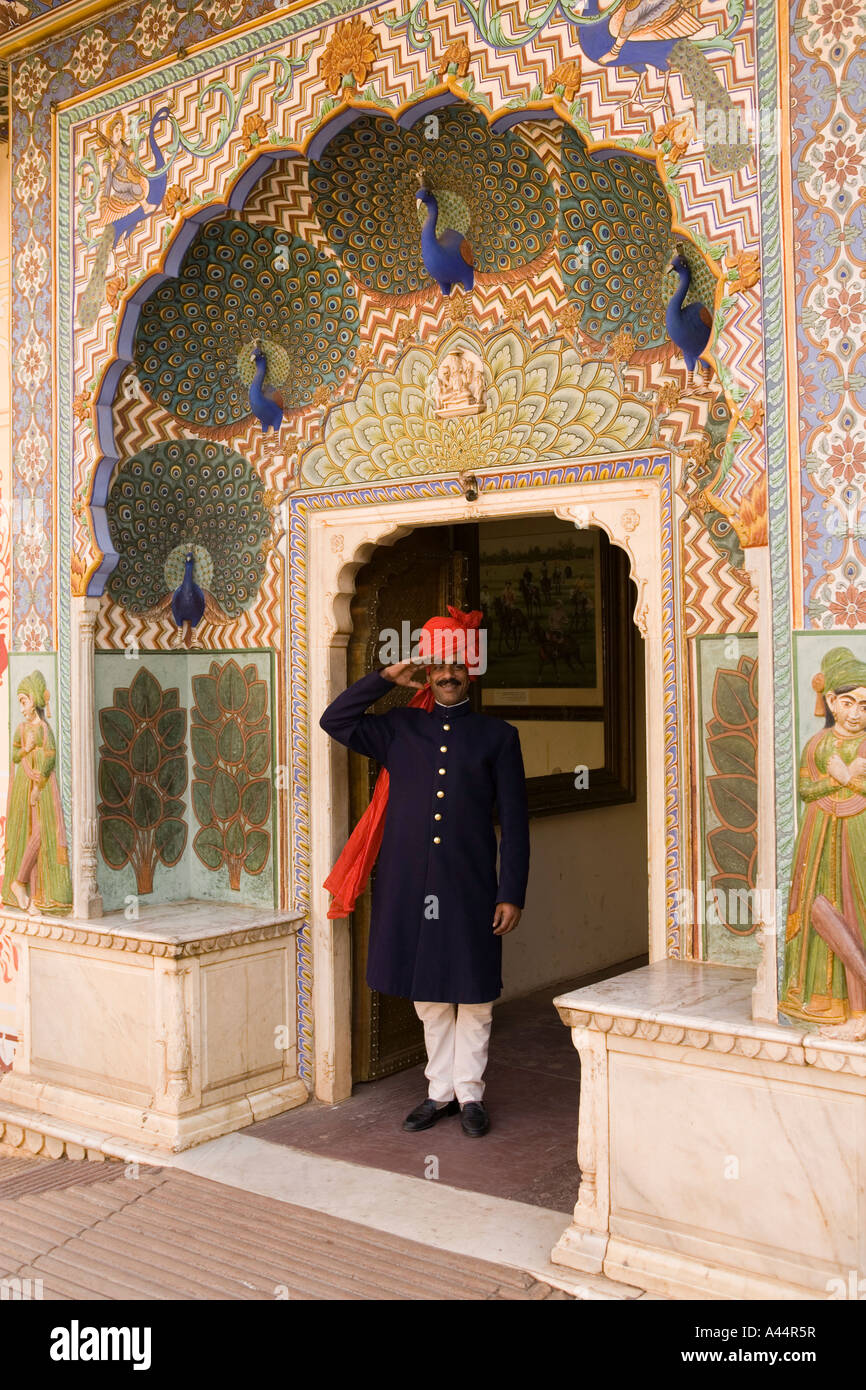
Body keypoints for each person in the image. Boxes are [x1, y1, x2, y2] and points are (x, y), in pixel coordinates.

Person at [320, 607, 530, 1136]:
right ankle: (439, 1092)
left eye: (458, 665)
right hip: (409, 885)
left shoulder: (497, 736)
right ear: (428, 672)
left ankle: (472, 1095)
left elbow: (516, 824)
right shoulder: (398, 728)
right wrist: (387, 677)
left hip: (471, 885)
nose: (449, 674)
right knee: (430, 994)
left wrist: (512, 891)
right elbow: (335, 720)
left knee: (476, 992)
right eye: (440, 666)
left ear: (471, 673)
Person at [780, 647, 866, 1036]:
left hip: (859, 836)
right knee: (820, 909)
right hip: (819, 839)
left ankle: (859, 1006)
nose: (856, 713)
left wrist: (849, 779)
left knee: (857, 908)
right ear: (831, 701)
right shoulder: (817, 745)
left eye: (864, 705)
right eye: (847, 702)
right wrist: (837, 778)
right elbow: (805, 789)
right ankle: (823, 998)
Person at [2, 672, 73, 915]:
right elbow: (13, 756)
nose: (22, 707)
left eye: (24, 701)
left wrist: (38, 786)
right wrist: (27, 750)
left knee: (44, 832)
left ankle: (26, 886)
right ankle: (22, 887)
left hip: (42, 785)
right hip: (25, 783)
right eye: (20, 702)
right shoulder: (22, 729)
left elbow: (51, 756)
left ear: (34, 700)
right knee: (30, 832)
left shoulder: (44, 728)